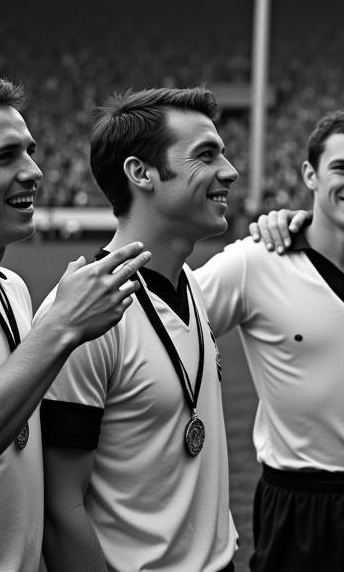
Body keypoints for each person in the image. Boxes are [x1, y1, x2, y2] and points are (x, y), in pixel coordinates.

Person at [196, 110, 344, 572]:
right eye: (342, 168)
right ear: (310, 174)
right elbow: (168, 321)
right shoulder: (254, 263)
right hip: (300, 503)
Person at [40, 87, 239, 572]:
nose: (230, 170)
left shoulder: (187, 279)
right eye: (206, 155)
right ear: (140, 173)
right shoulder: (82, 315)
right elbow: (59, 508)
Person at [0, 77, 148, 572]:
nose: (34, 171)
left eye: (31, 152)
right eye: (5, 157)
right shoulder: (46, 311)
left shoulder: (13, 288)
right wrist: (62, 327)